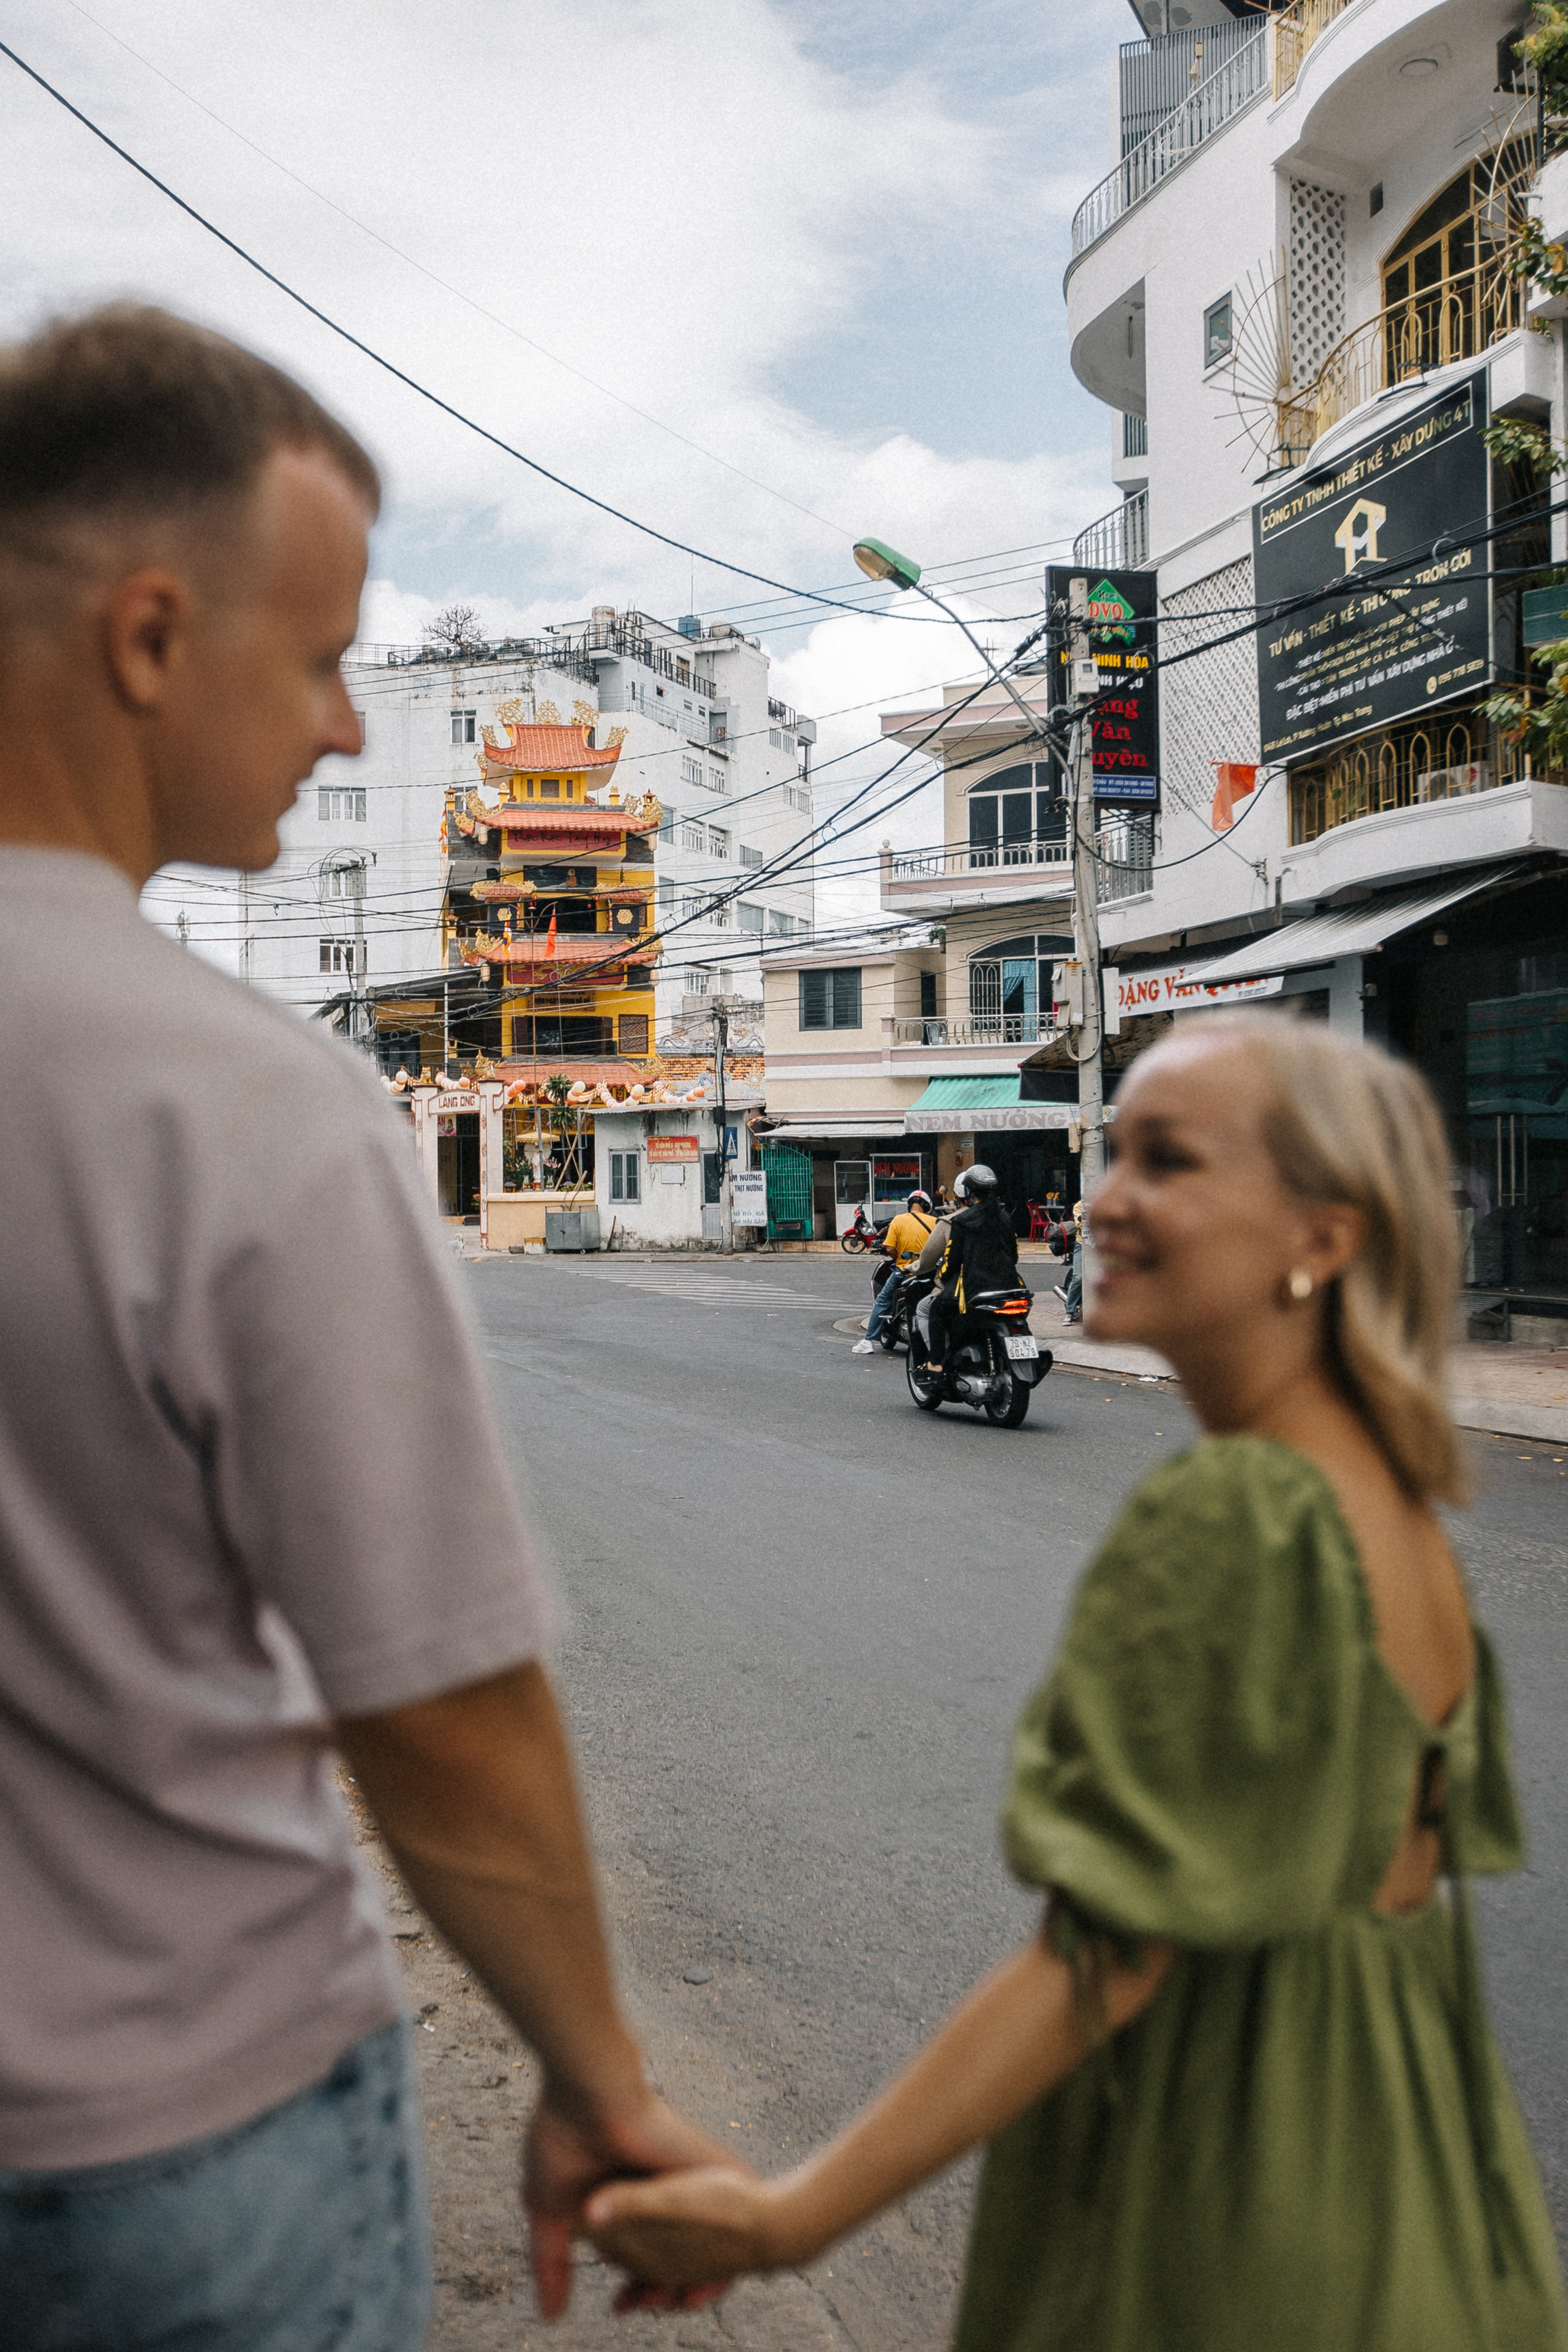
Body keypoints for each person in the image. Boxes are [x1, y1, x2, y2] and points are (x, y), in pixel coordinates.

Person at [0, 306, 728, 2351]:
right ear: (149, 640)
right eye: (319, 657)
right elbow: (441, 1713)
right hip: (177, 2146)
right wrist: (599, 2083)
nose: (342, 728)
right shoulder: (234, 1098)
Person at [584, 1016, 1568, 2351]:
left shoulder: (1235, 1512)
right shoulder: (1388, 1507)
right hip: (1420, 2210)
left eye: (1166, 1162)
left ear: (1319, 1237)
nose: (1103, 1198)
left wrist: (786, 2220)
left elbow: (1095, 1964)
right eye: (1113, 1156)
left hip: (1232, 2223)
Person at [924, 1165, 1022, 1377]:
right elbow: (1013, 1257)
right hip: (1009, 1287)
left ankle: (935, 1363)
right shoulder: (1005, 1218)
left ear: (968, 1193)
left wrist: (942, 1277)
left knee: (936, 1309)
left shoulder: (962, 1221)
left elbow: (951, 1261)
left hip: (974, 1289)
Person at [854, 1188, 937, 1353]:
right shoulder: (935, 1222)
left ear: (910, 1205)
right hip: (930, 1272)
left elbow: (890, 1249)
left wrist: (899, 1256)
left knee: (883, 1301)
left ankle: (868, 1341)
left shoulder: (898, 1221)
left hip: (904, 1272)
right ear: (927, 1206)